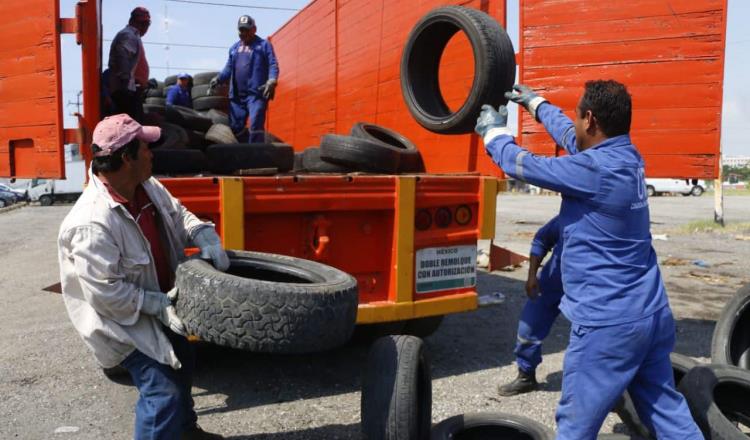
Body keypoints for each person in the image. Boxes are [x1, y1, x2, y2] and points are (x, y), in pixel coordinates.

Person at [474, 81, 703, 439]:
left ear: (591, 119)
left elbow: (520, 164)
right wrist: (537, 104)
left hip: (609, 326)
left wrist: (493, 134)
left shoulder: (593, 171)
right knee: (667, 413)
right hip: (651, 314)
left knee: (575, 427)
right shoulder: (627, 156)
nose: (575, 122)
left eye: (578, 115)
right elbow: (571, 136)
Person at [57, 114, 229, 440]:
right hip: (122, 327)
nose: (152, 153)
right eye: (146, 148)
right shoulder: (91, 223)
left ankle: (185, 431)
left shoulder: (147, 187)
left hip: (163, 305)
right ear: (126, 158)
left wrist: (203, 234)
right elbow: (107, 296)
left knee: (183, 361)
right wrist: (158, 304)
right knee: (163, 391)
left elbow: (179, 215)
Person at [499, 216, 564, 396]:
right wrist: (531, 276)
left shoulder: (609, 219)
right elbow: (541, 240)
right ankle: (526, 376)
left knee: (591, 340)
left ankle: (610, 392)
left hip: (589, 288)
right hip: (553, 283)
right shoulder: (567, 218)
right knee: (528, 327)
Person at [210, 15, 279, 143]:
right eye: (241, 30)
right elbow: (228, 69)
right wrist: (218, 79)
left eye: (246, 30)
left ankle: (255, 154)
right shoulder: (234, 49)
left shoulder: (264, 45)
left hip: (256, 94)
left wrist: (272, 80)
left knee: (256, 123)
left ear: (254, 29)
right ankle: (242, 153)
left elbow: (272, 64)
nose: (243, 33)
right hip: (237, 96)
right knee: (236, 127)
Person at [108, 7, 151, 122]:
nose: (145, 27)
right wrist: (125, 84)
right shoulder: (129, 35)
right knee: (130, 129)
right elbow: (122, 59)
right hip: (125, 91)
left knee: (133, 127)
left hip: (129, 89)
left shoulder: (133, 36)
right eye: (143, 23)